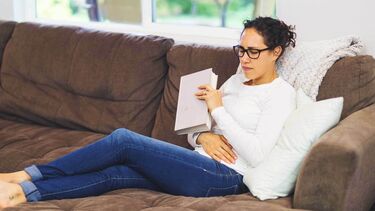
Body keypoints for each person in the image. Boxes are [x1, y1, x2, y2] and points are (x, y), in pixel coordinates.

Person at [0, 16, 296, 209]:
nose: (244, 58)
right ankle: (26, 194)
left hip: (224, 176)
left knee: (124, 141)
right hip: (198, 162)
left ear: (276, 52)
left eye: (253, 52)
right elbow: (198, 132)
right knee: (115, 175)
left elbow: (257, 154)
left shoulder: (281, 95)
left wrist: (217, 110)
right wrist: (202, 135)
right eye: (241, 49)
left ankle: (23, 176)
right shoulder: (236, 80)